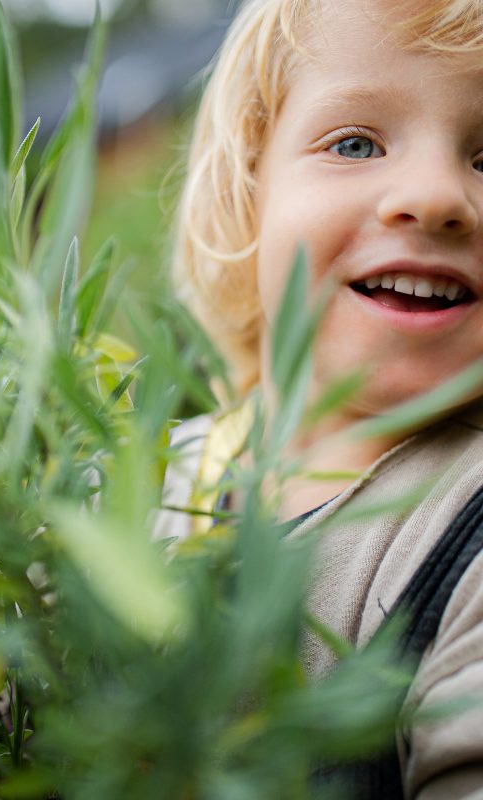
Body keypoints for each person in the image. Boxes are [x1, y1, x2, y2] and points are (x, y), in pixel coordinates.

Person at [164, 0, 483, 797]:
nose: (437, 196)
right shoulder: (139, 478)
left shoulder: (462, 531)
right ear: (248, 195)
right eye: (354, 143)